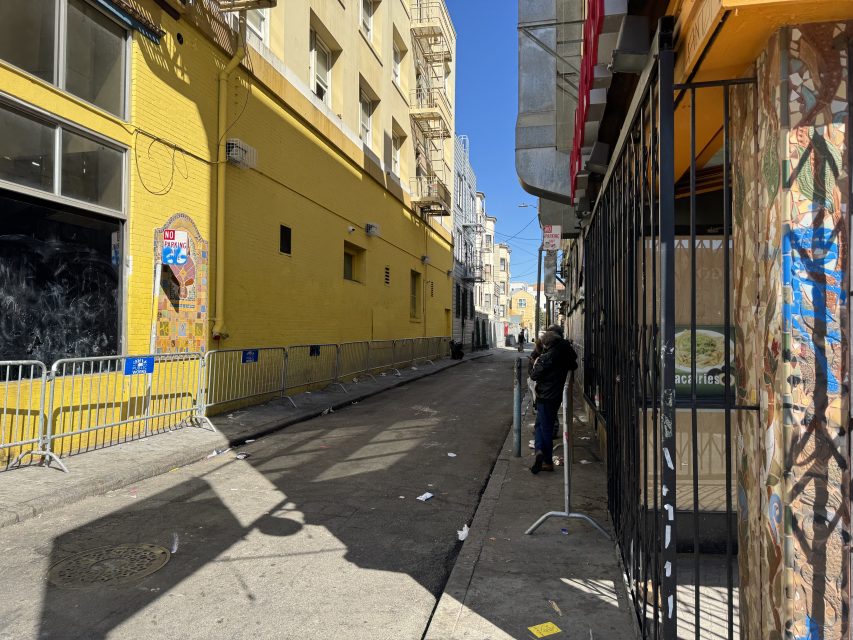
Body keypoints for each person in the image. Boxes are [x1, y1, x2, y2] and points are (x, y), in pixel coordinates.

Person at [528, 325, 577, 474]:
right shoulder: (565, 349)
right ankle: (539, 452)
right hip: (555, 395)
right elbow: (573, 364)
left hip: (546, 395)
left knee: (545, 428)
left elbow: (534, 375)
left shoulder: (548, 355)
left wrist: (537, 361)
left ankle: (546, 460)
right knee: (539, 426)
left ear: (547, 342)